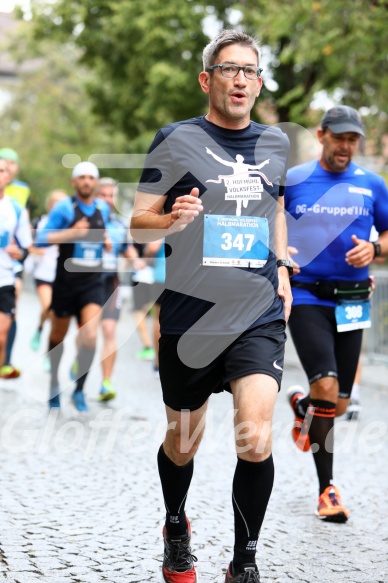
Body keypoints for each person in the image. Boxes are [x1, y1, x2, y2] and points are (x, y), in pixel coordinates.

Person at [130, 29, 291, 583]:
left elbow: (274, 209)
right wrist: (173, 218)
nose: (240, 79)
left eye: (249, 70)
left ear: (259, 82)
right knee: (182, 442)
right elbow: (138, 220)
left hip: (256, 311)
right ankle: (177, 526)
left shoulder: (275, 143)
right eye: (229, 69)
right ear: (207, 79)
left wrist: (285, 264)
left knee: (257, 436)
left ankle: (244, 561)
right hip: (190, 315)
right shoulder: (174, 139)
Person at [285, 105, 388, 523]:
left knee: (339, 404)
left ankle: (302, 407)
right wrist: (280, 253)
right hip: (306, 296)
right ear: (321, 134)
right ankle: (327, 489)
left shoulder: (373, 184)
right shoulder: (293, 181)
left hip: (352, 300)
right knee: (327, 389)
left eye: (353, 139)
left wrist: (376, 249)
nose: (346, 146)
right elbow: (269, 222)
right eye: (339, 137)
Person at [36, 161, 110, 412]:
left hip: (92, 282)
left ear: (96, 182)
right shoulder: (64, 208)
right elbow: (42, 238)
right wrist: (71, 233)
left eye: (91, 177)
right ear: (74, 182)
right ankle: (54, 385)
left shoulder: (103, 208)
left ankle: (79, 391)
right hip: (66, 283)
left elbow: (102, 234)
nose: (87, 181)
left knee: (90, 337)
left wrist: (106, 241)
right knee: (58, 337)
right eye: (82, 177)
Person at [95, 177, 133, 401]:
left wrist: (137, 260)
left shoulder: (119, 225)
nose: (108, 200)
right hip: (86, 282)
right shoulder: (85, 221)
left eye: (111, 196)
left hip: (111, 282)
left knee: (109, 332)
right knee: (88, 335)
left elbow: (127, 251)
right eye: (104, 195)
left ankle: (105, 382)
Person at [0, 147, 31, 379]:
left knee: (5, 328)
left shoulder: (18, 201)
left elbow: (25, 247)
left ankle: (6, 361)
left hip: (8, 272)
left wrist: (17, 252)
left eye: (5, 168)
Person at [29, 190, 69, 363]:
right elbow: (28, 246)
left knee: (56, 314)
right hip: (43, 274)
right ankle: (39, 329)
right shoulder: (41, 222)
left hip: (60, 276)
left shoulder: (70, 224)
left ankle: (48, 350)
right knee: (49, 308)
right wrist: (39, 249)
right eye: (55, 202)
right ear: (50, 204)